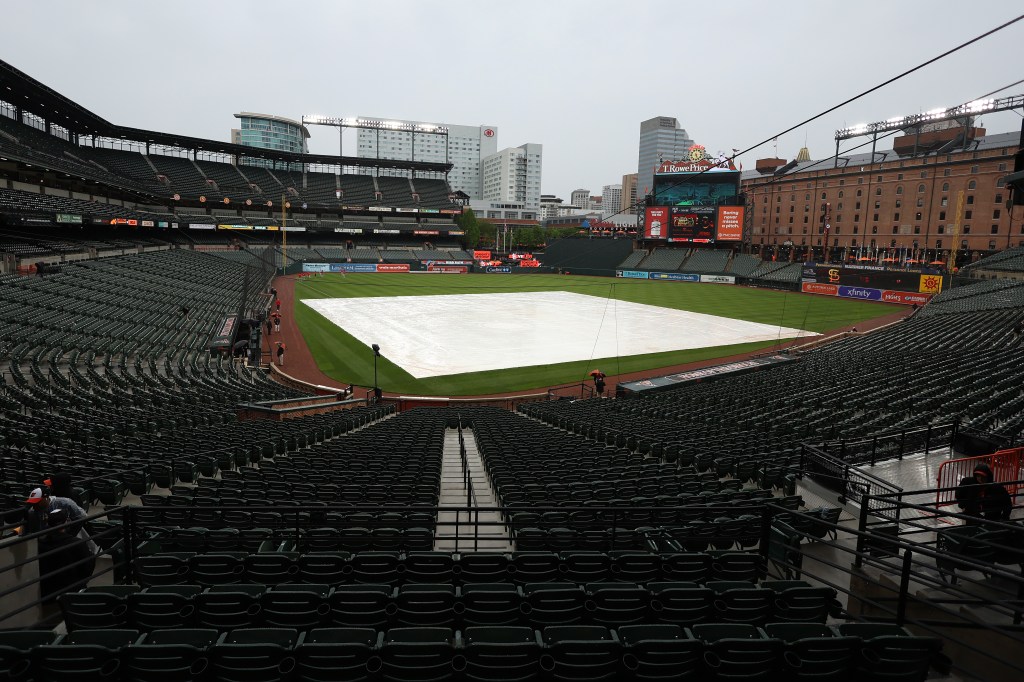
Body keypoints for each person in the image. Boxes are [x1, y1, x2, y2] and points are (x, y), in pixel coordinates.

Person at [38, 508, 96, 603]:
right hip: (71, 590)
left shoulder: (40, 544)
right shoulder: (76, 543)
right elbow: (87, 569)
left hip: (47, 592)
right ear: (66, 522)